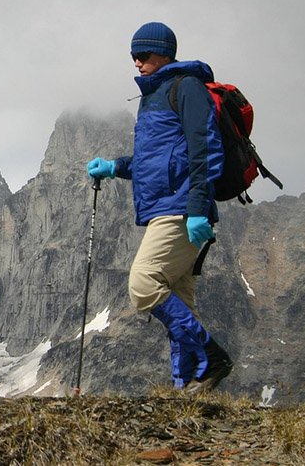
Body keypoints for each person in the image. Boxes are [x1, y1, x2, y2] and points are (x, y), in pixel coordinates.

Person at [86, 21, 233, 393]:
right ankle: (188, 386)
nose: (136, 62)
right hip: (165, 208)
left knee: (144, 284)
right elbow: (155, 162)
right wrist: (115, 167)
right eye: (133, 55)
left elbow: (205, 150)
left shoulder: (188, 88)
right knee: (179, 300)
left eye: (143, 54)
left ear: (163, 52)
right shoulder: (154, 97)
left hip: (181, 209)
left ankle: (213, 357)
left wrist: (199, 206)